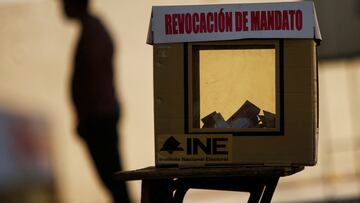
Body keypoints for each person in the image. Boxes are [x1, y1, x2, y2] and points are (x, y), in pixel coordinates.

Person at [61, 0, 130, 202]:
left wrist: (87, 117)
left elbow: (92, 80)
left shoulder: (93, 33)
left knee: (113, 181)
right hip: (99, 117)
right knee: (113, 181)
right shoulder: (92, 30)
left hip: (99, 119)